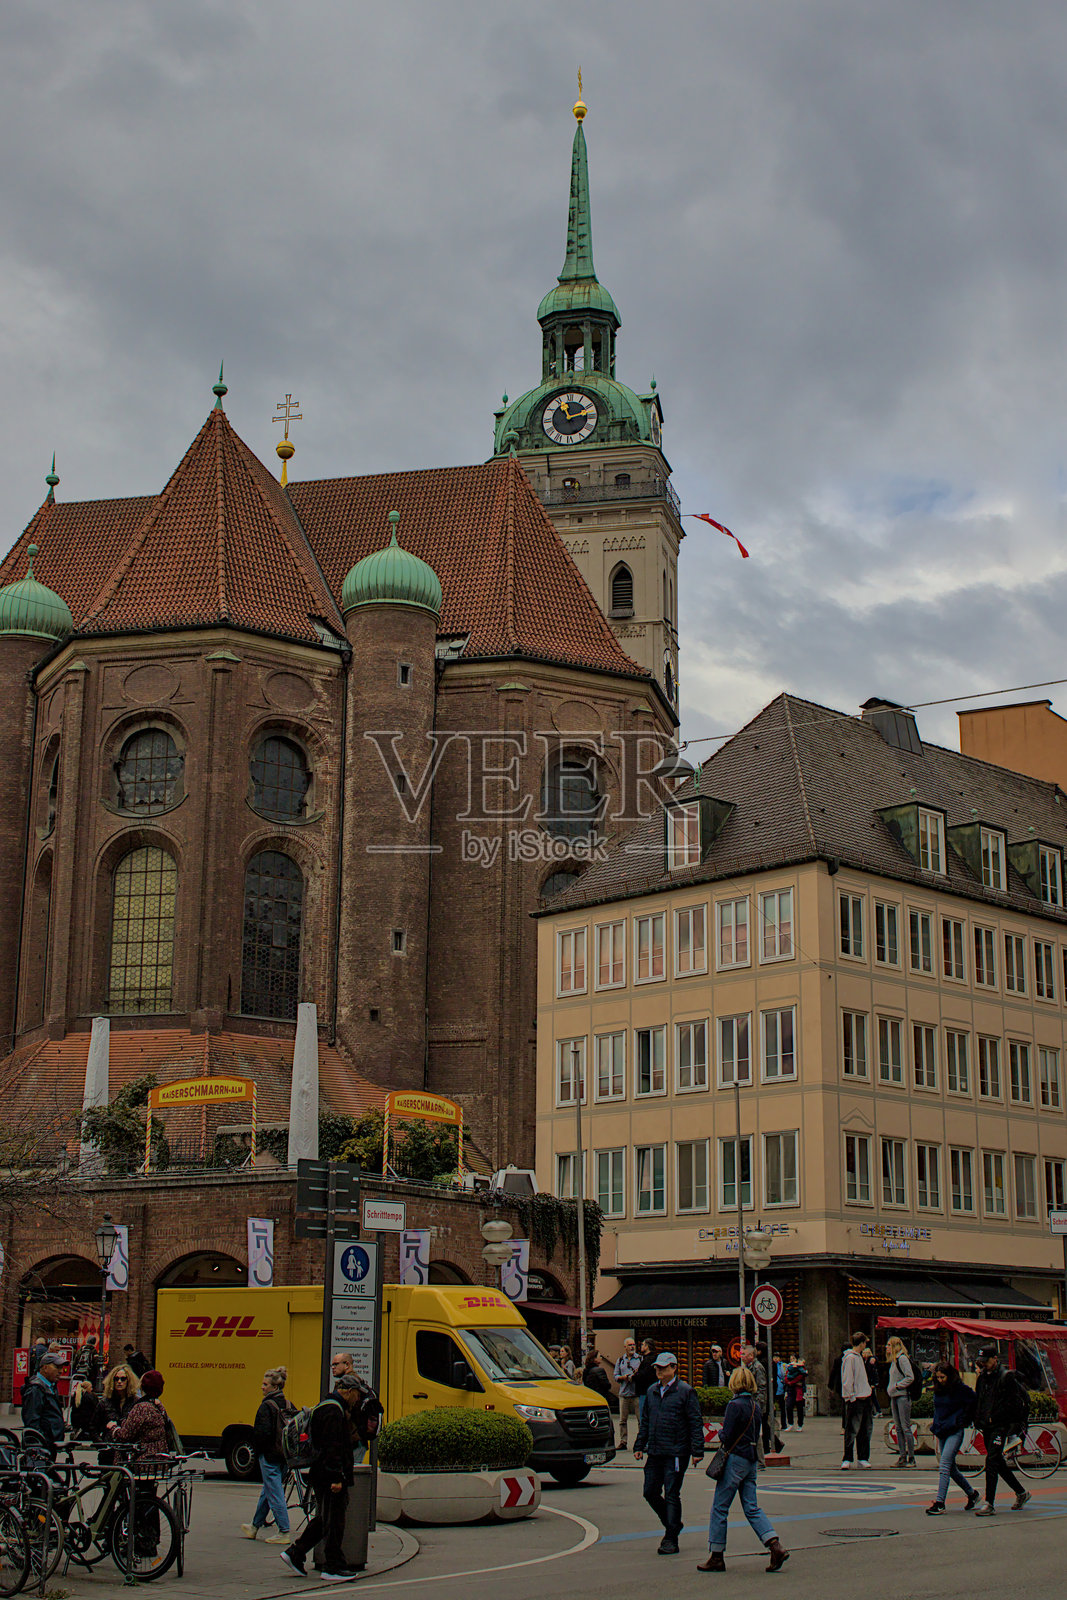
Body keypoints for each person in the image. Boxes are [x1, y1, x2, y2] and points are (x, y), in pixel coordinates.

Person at [697, 1366, 789, 1573]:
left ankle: (717, 1555)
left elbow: (727, 1435)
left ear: (734, 1383)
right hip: (751, 1459)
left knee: (720, 1507)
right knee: (751, 1506)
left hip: (735, 1459)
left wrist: (720, 1434)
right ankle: (775, 1545)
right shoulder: (755, 1405)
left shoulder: (734, 1405)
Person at [280, 1374, 367, 1581]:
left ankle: (296, 1553)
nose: (358, 1399)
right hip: (329, 1476)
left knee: (324, 1519)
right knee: (335, 1521)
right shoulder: (333, 1411)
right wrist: (336, 1477)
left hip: (322, 1473)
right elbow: (332, 1447)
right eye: (357, 1394)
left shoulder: (328, 1407)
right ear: (348, 1391)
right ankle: (332, 1566)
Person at [634, 1353, 703, 1555]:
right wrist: (639, 1445)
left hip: (676, 1452)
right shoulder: (652, 1391)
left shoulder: (685, 1392)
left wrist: (697, 1450)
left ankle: (671, 1537)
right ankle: (672, 1523)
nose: (659, 1371)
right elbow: (645, 1421)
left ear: (674, 1368)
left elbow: (695, 1421)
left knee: (672, 1493)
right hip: (655, 1450)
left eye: (663, 1368)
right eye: (657, 1367)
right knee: (650, 1491)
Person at [972, 1345, 1031, 1514]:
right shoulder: (982, 1378)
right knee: (997, 1462)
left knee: (991, 1461)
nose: (984, 1364)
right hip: (987, 1424)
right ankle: (1021, 1492)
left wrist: (996, 1417)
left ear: (995, 1359)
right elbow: (979, 1399)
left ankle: (989, 1503)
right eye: (982, 1361)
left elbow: (1013, 1404)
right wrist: (978, 1419)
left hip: (1000, 1424)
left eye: (986, 1361)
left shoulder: (1006, 1377)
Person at [242, 1367, 293, 1544]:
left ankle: (284, 1531)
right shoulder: (288, 1405)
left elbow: (261, 1434)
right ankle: (254, 1526)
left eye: (265, 1384)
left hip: (270, 1456)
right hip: (285, 1455)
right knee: (269, 1490)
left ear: (274, 1387)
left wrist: (259, 1453)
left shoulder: (266, 1406)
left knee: (275, 1492)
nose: (262, 1387)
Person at [926, 1362, 980, 1515]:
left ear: (950, 1376)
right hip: (942, 1429)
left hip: (954, 1430)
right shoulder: (939, 1388)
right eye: (938, 1377)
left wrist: (963, 1420)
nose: (940, 1380)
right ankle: (972, 1494)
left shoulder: (960, 1389)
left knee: (944, 1465)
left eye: (943, 1377)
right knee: (950, 1468)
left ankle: (940, 1502)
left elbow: (974, 1400)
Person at [110, 1369, 171, 1456]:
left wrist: (113, 1428)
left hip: (145, 1457)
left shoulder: (141, 1408)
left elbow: (125, 1435)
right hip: (160, 1455)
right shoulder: (158, 1406)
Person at [21, 1351, 65, 1457]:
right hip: (41, 1448)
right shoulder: (35, 1389)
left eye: (61, 1368)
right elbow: (32, 1421)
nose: (60, 1371)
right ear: (45, 1368)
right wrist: (43, 1442)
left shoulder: (50, 1387)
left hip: (49, 1445)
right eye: (57, 1367)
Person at [840, 1331, 873, 1469]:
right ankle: (848, 1458)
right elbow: (847, 1380)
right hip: (856, 1398)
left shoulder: (858, 1357)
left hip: (863, 1396)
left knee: (864, 1429)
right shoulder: (851, 1358)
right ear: (862, 1343)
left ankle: (862, 1457)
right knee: (852, 1429)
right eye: (865, 1342)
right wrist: (851, 1396)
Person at [885, 1337, 916, 1467]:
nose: (886, 1347)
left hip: (902, 1396)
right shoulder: (894, 1360)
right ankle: (902, 1456)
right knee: (898, 1427)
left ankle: (911, 1457)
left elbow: (910, 1377)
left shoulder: (902, 1359)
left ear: (895, 1346)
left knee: (905, 1427)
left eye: (888, 1345)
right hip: (894, 1396)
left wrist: (898, 1386)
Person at [613, 1338, 641, 1450]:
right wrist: (623, 1378)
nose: (632, 1347)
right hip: (624, 1393)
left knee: (640, 1419)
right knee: (622, 1420)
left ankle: (641, 1441)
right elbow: (615, 1375)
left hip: (636, 1393)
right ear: (625, 1347)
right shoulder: (620, 1360)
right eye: (630, 1345)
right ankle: (623, 1441)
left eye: (633, 1344)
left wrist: (636, 1376)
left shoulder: (640, 1359)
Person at [634, 1338, 658, 1424]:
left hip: (644, 1392)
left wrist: (635, 1375)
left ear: (647, 1346)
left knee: (644, 1418)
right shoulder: (653, 1359)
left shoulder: (648, 1360)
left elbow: (643, 1375)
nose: (641, 1346)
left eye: (642, 1344)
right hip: (651, 1391)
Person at [784, 1357, 807, 1431]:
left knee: (799, 1407)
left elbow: (801, 1377)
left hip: (799, 1390)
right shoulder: (789, 1369)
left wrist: (792, 1382)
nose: (792, 1361)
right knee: (789, 1406)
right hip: (791, 1389)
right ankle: (790, 1423)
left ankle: (800, 1424)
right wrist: (789, 1383)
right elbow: (786, 1377)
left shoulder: (801, 1368)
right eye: (791, 1359)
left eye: (793, 1359)